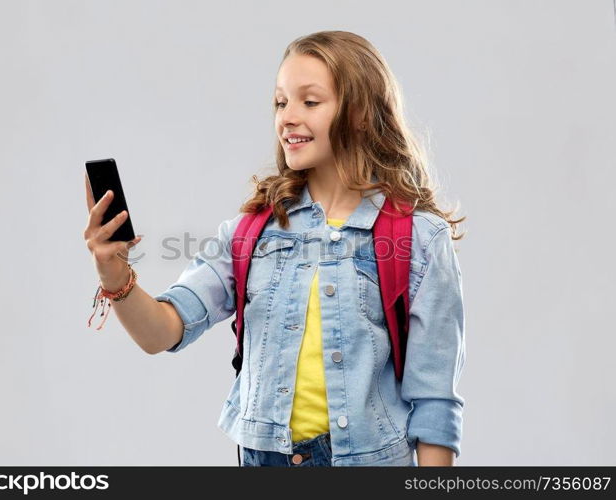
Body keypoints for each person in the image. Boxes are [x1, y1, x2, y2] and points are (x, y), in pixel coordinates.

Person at [83, 30, 466, 467]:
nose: (287, 117)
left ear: (360, 113)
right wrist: (114, 274)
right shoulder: (252, 232)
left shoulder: (418, 238)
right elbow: (162, 332)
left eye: (310, 101)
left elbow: (435, 403)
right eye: (281, 102)